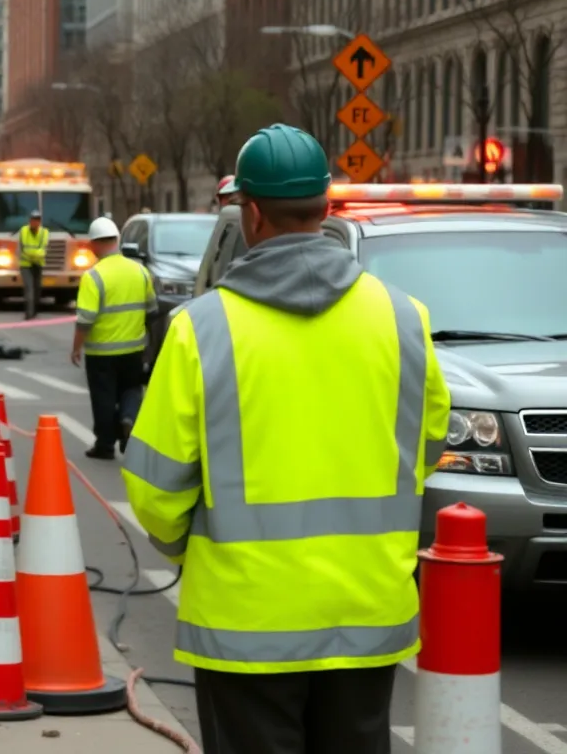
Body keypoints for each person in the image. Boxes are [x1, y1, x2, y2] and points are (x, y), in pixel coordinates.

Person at [121, 124, 451, 754]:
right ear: (326, 207)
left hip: (245, 620)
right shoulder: (403, 318)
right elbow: (427, 444)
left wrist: (187, 548)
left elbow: (155, 486)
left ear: (250, 214)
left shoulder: (202, 329)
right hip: (366, 611)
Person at [70, 216, 157, 460]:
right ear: (117, 240)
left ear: (94, 244)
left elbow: (85, 320)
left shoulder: (93, 277)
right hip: (134, 349)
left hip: (101, 352)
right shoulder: (140, 271)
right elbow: (152, 310)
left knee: (103, 397)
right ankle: (128, 419)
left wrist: (76, 348)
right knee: (131, 389)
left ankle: (105, 444)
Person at [16, 209, 48, 320]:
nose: (35, 222)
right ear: (30, 220)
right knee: (29, 288)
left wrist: (32, 254)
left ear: (40, 222)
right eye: (33, 219)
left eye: (37, 220)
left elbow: (43, 249)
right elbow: (23, 248)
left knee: (37, 288)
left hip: (38, 264)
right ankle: (29, 313)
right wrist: (35, 254)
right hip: (26, 264)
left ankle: (35, 311)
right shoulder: (23, 231)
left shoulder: (44, 232)